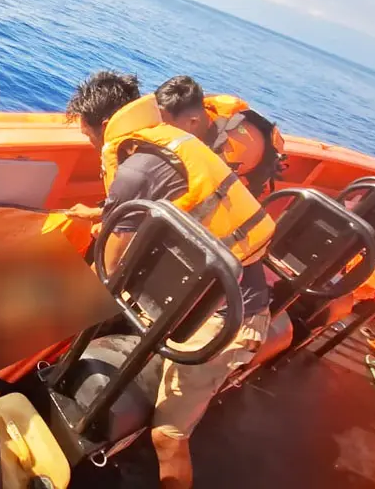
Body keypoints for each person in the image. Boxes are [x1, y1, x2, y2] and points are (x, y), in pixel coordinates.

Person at [63, 70, 275, 489]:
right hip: (209, 293)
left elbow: (106, 273)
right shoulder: (177, 144)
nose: (94, 149)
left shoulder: (133, 171)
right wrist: (97, 216)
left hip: (229, 320)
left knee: (169, 434)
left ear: (105, 127)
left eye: (91, 139)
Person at [154, 75, 285, 198]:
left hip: (243, 183)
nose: (161, 127)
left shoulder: (223, 153)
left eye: (166, 124)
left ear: (193, 122)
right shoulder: (199, 108)